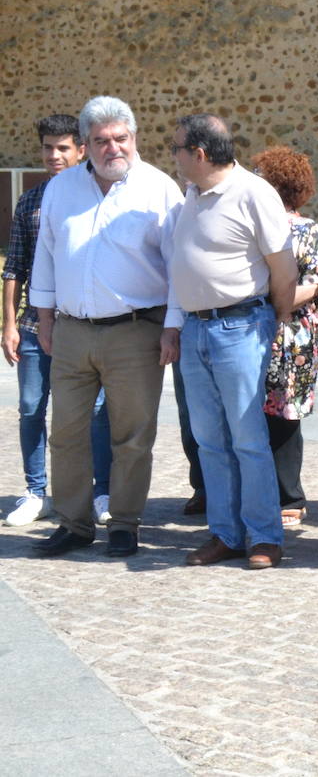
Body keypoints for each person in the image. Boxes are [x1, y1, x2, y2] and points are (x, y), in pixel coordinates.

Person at [29, 96, 182, 558]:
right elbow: (47, 255)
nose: (112, 148)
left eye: (121, 139)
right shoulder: (61, 189)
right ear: (86, 145)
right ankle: (74, 524)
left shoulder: (159, 188)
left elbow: (178, 267)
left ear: (134, 138)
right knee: (66, 433)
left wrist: (172, 327)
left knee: (132, 435)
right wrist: (45, 317)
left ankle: (125, 522)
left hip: (136, 331)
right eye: (101, 141)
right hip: (73, 330)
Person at [172, 115, 296, 570]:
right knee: (209, 441)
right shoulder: (191, 193)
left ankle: (264, 536)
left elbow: (284, 270)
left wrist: (274, 322)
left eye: (178, 149)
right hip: (195, 329)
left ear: (200, 155)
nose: (175, 157)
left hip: (241, 327)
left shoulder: (254, 193)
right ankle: (225, 533)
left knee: (247, 439)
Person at [3, 114, 112, 528]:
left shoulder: (95, 197)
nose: (54, 155)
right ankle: (35, 492)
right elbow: (14, 266)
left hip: (81, 324)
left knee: (97, 411)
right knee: (31, 407)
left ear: (81, 149)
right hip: (33, 325)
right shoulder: (30, 200)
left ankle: (102, 490)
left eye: (63, 147)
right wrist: (9, 324)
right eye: (48, 147)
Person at [254, 145, 318, 529]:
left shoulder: (307, 230)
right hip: (250, 330)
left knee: (284, 415)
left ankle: (290, 496)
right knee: (247, 415)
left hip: (290, 336)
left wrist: (273, 302)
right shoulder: (249, 224)